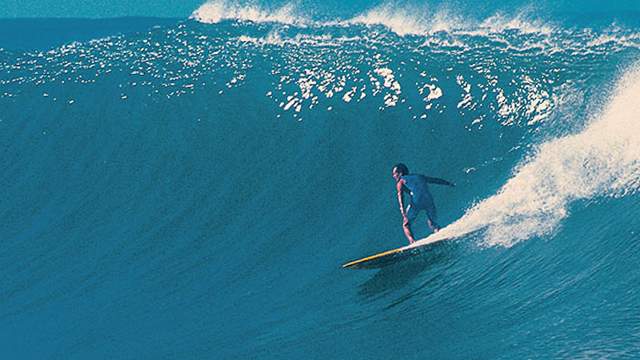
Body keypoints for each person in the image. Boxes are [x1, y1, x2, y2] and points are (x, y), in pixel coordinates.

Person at [392, 163, 455, 244]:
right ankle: (440, 234)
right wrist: (449, 183)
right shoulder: (419, 176)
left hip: (416, 202)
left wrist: (403, 212)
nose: (393, 176)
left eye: (394, 173)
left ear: (400, 172)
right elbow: (435, 180)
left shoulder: (400, 182)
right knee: (432, 223)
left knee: (405, 225)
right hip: (428, 200)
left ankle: (413, 242)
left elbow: (400, 197)